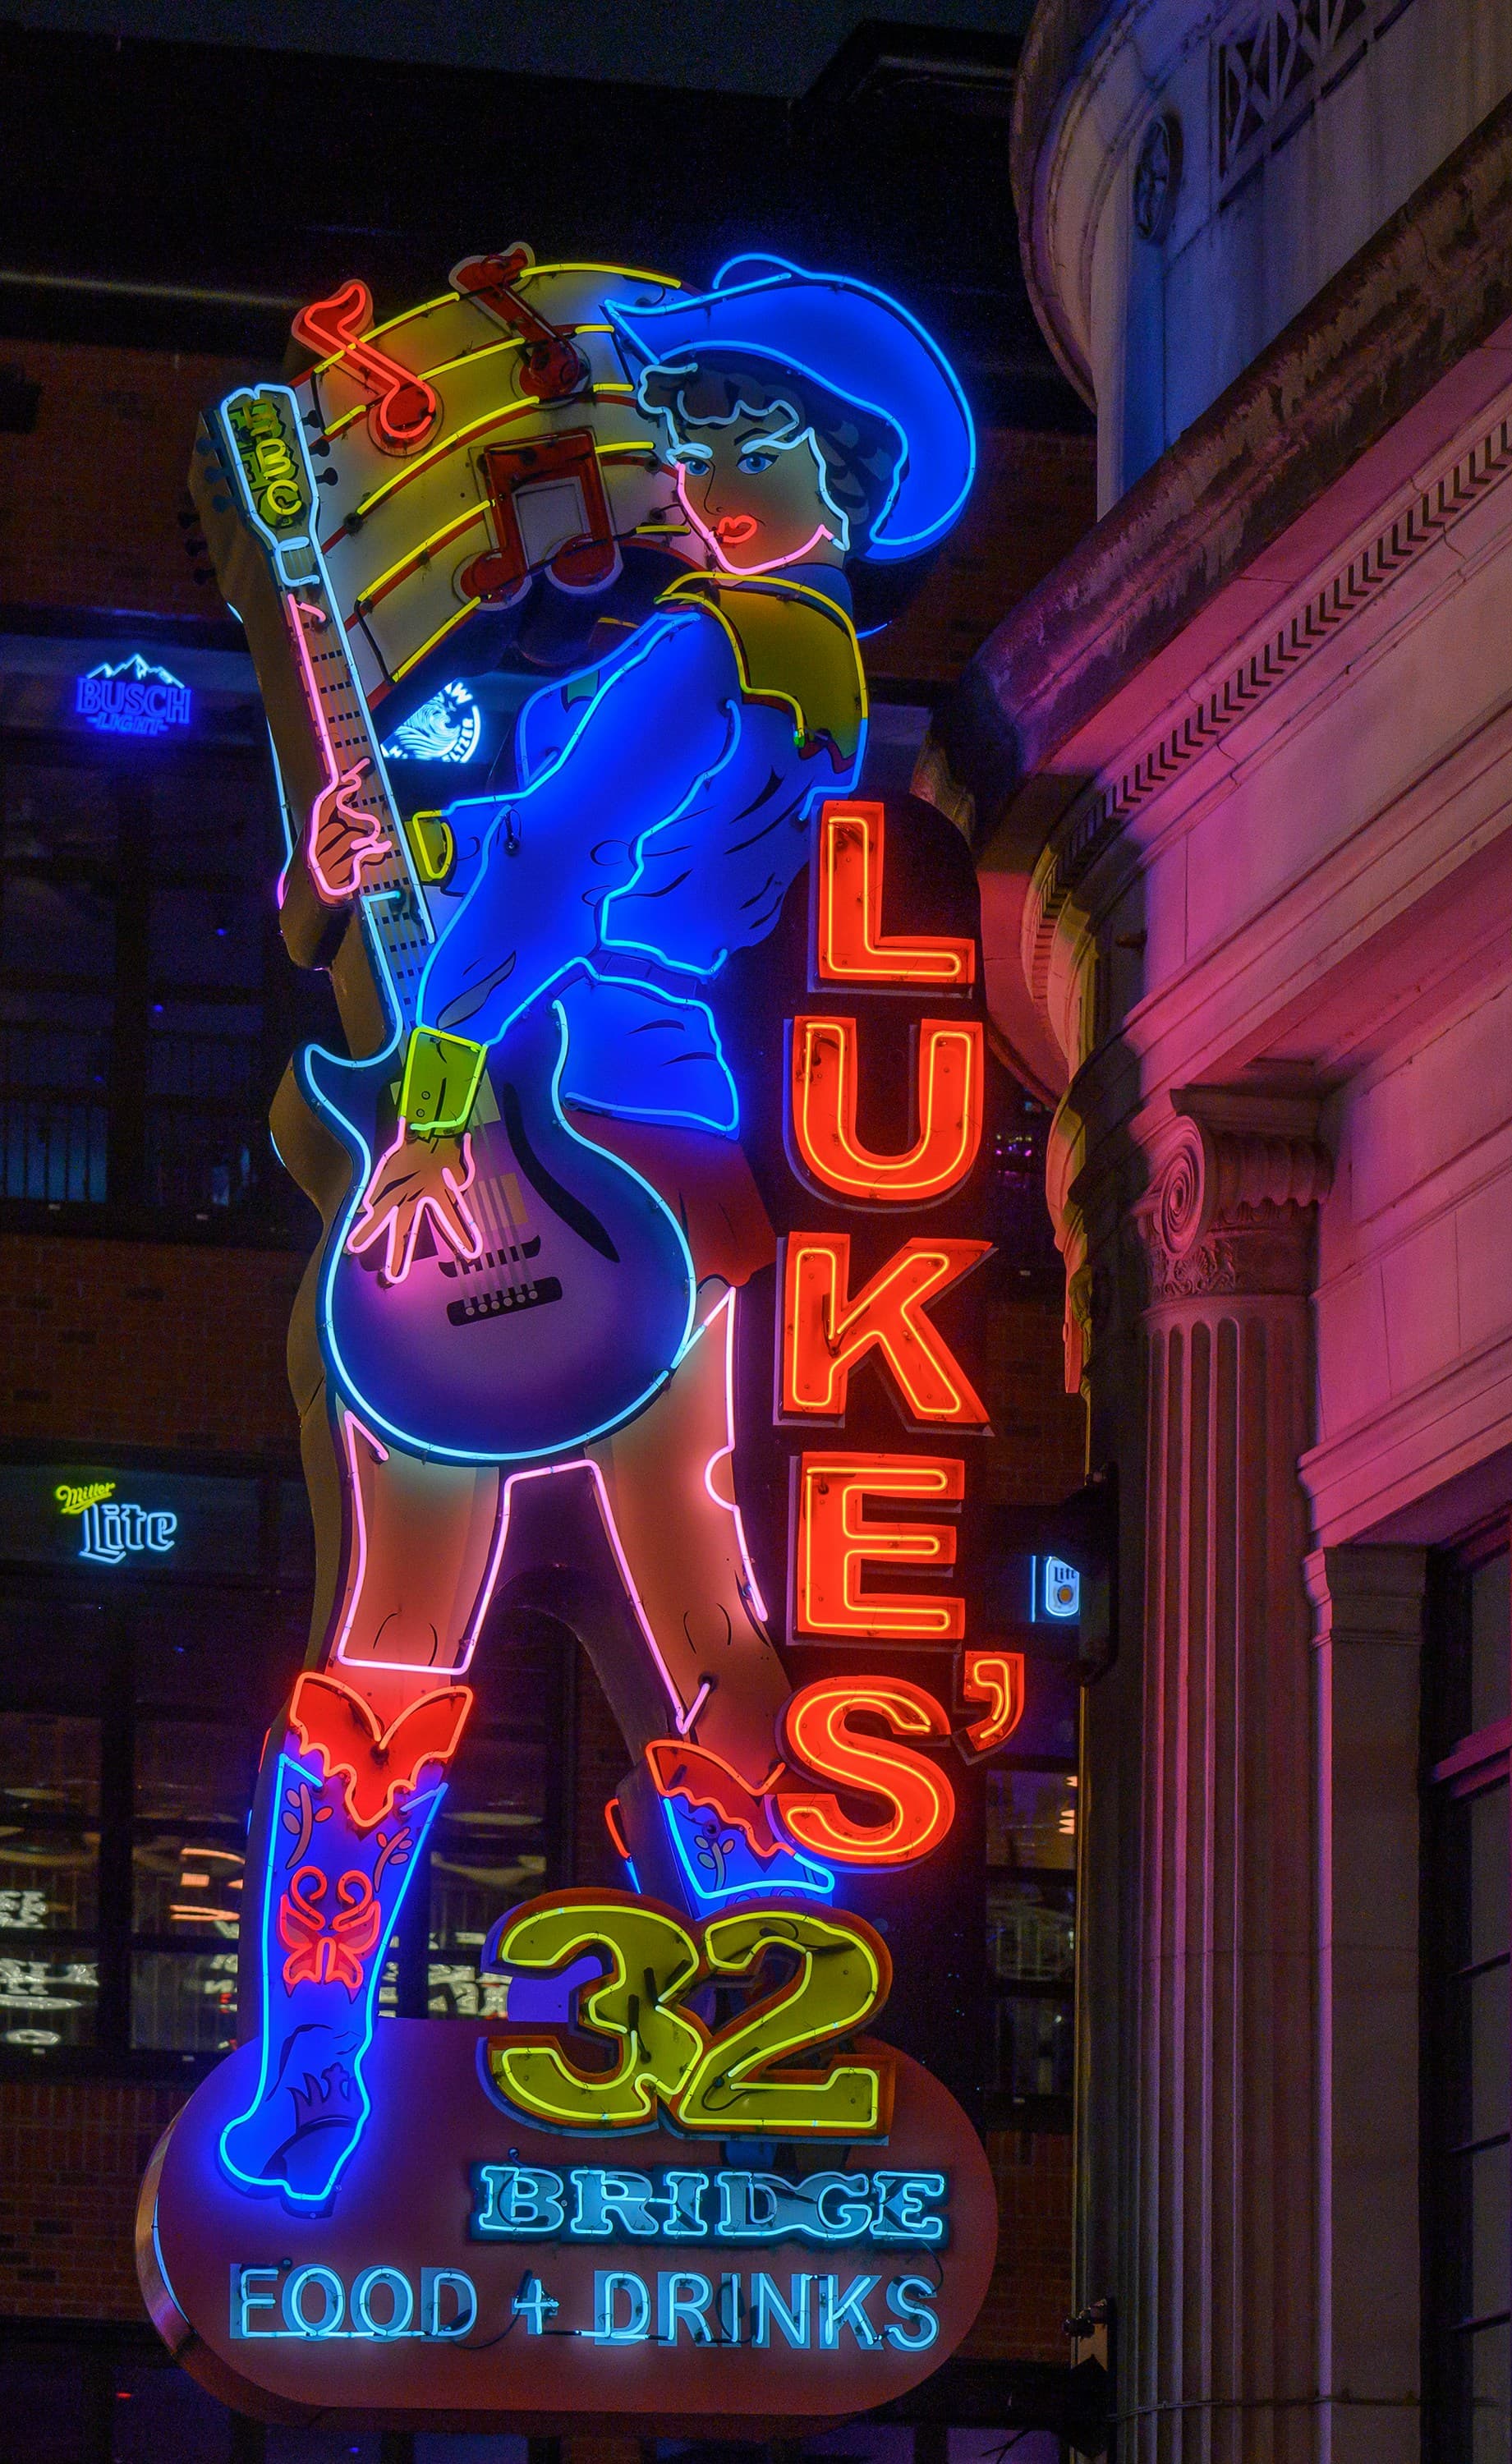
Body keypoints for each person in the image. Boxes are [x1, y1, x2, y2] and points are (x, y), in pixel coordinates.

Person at [221, 255, 976, 2204]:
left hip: (526, 1128)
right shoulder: (812, 671)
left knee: (400, 1613)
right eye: (697, 421)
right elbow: (543, 852)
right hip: (676, 1142)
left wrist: (437, 1096)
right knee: (700, 1596)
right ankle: (767, 2014)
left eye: (757, 426)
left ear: (859, 474)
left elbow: (558, 860)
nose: (705, 457)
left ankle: (313, 2062)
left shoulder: (709, 645)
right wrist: (384, 857)